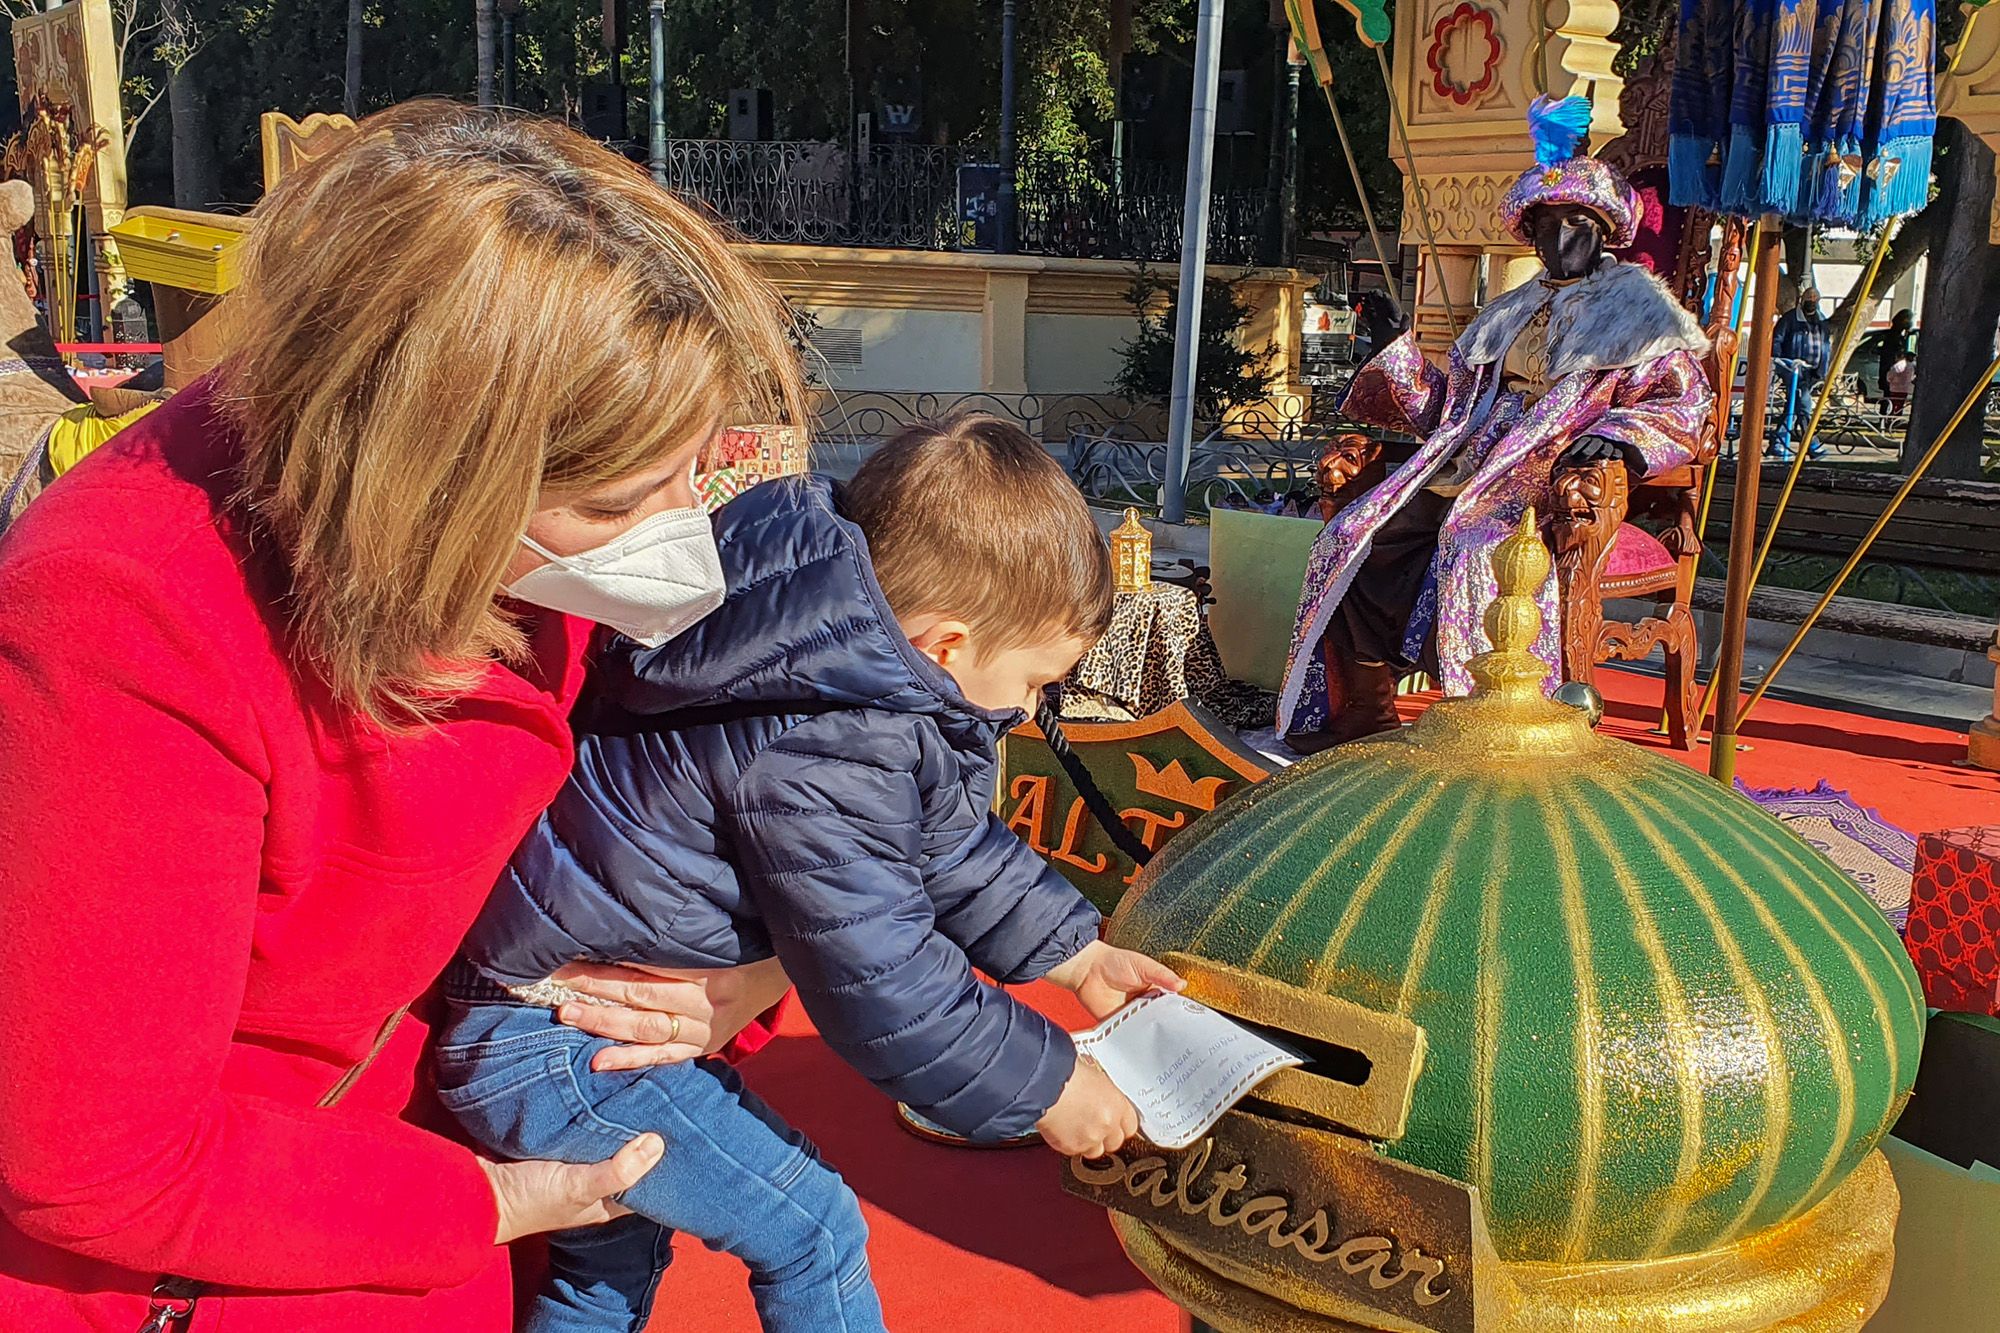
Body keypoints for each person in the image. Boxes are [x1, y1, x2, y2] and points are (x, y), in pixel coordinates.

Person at [0, 101, 810, 1332]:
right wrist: (478, 1203)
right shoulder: (129, 615)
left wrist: (743, 978)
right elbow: (98, 1160)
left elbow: (679, 802)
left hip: (481, 1183)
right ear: (440, 480)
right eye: (621, 499)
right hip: (256, 1257)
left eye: (698, 468)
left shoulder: (533, 529)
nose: (678, 528)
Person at [440, 415, 1181, 1333]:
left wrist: (1077, 957)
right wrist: (1052, 1085)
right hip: (556, 1041)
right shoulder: (831, 737)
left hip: (535, 1011)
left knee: (611, 1254)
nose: (1029, 709)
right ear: (946, 644)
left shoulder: (814, 653)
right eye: (1033, 680)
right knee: (812, 1227)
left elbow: (947, 844)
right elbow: (886, 974)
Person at [1281, 95, 1711, 750]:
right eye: (1546, 224)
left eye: (1576, 222)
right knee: (1357, 534)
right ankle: (1364, 710)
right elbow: (1443, 410)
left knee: (1477, 547)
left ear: (1602, 229)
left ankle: (1493, 734)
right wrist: (1396, 351)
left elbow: (1686, 405)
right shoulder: (1510, 309)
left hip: (1550, 477)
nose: (1560, 238)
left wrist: (1619, 438)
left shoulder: (1639, 310)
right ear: (1530, 234)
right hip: (1469, 460)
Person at [1773, 286, 1833, 387]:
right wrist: (1782, 363)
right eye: (1809, 298)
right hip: (1795, 369)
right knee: (1803, 399)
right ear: (1803, 299)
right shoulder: (1789, 319)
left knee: (1800, 399)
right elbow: (1776, 340)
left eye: (1815, 298)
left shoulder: (1822, 320)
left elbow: (1826, 346)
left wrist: (1823, 371)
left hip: (1815, 372)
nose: (1812, 300)